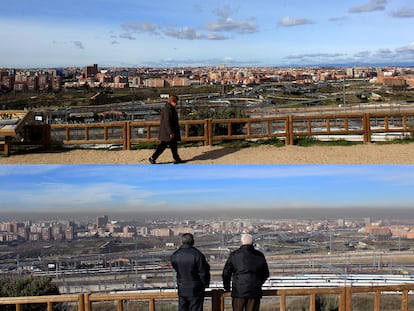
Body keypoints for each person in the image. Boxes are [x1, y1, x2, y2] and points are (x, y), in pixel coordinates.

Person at [222, 234, 269, 311]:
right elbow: (265, 274)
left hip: (238, 291)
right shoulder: (259, 255)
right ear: (252, 243)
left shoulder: (235, 255)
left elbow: (226, 273)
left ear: (241, 243)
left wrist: (227, 287)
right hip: (254, 291)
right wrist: (258, 284)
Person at [171, 233, 211, 311]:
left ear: (181, 242)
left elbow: (176, 268)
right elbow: (203, 272)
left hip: (182, 288)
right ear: (193, 242)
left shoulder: (175, 255)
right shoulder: (197, 255)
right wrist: (205, 284)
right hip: (196, 288)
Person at [148, 94, 183, 164]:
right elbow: (167, 121)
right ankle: (153, 157)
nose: (177, 104)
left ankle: (177, 158)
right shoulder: (167, 109)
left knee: (173, 145)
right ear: (172, 101)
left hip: (170, 131)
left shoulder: (170, 108)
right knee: (163, 146)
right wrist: (170, 132)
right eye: (176, 102)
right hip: (168, 132)